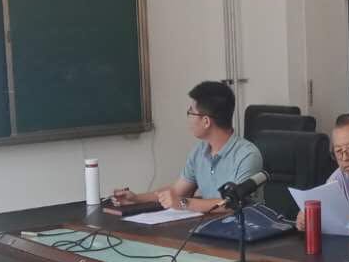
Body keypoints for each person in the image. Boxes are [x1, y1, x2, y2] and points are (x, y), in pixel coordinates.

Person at [111, 81, 263, 214]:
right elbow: (176, 191)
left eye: (191, 112)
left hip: (243, 231)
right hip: (208, 227)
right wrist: (136, 198)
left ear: (206, 121)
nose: (188, 117)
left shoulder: (247, 155)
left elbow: (232, 204)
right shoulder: (199, 151)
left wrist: (184, 203)